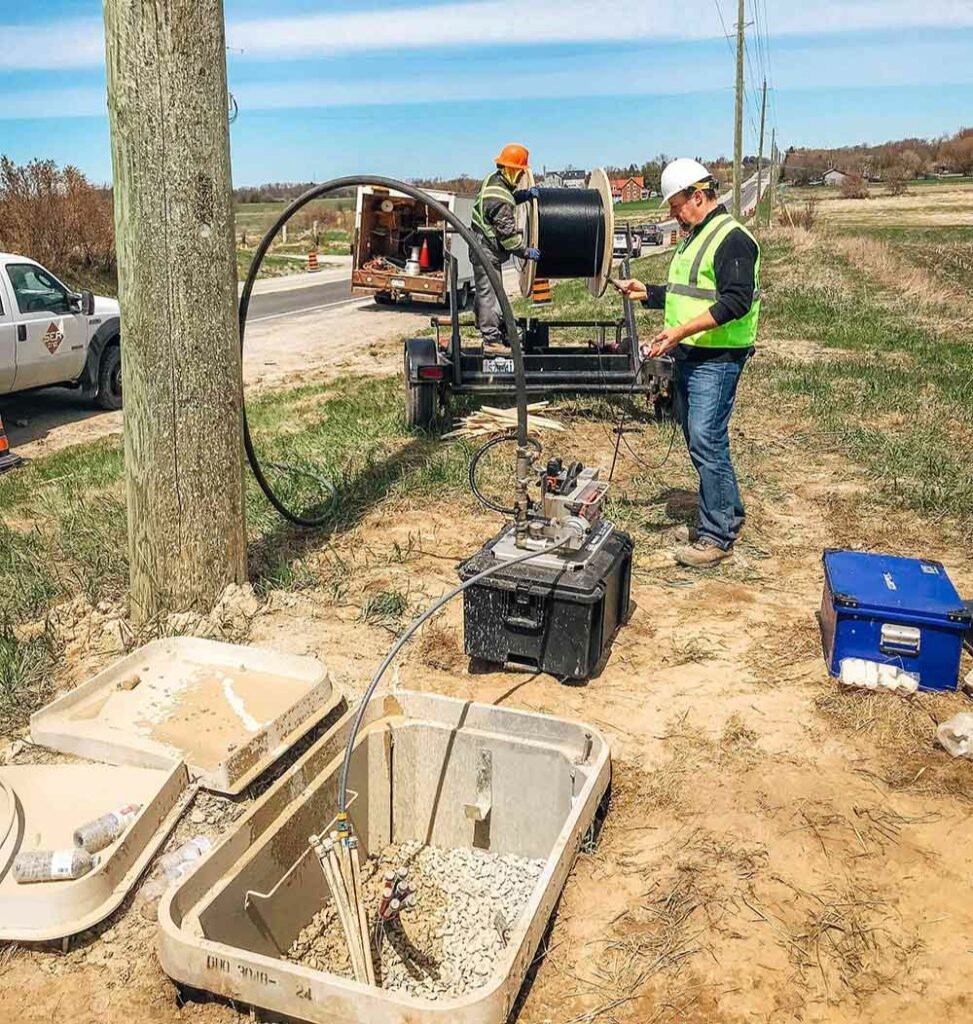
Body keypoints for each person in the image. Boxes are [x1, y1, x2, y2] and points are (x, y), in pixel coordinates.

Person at [614, 158, 760, 568]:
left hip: (717, 357)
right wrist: (649, 292)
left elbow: (734, 301)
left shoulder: (732, 239)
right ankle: (728, 513)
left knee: (706, 440)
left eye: (676, 205)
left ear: (699, 196)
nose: (672, 214)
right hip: (692, 353)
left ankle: (714, 537)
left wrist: (677, 333)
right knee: (706, 439)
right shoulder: (695, 236)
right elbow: (689, 293)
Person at [470, 143, 541, 349]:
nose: (520, 177)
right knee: (490, 293)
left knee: (487, 290)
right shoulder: (499, 199)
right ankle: (491, 339)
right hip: (485, 250)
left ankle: (484, 323)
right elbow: (508, 237)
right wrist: (526, 251)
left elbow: (507, 196)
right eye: (519, 173)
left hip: (481, 245)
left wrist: (524, 195)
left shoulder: (494, 181)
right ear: (510, 170)